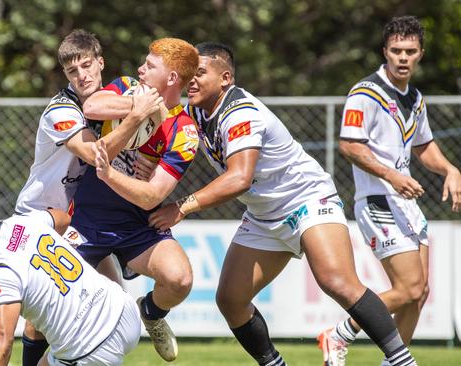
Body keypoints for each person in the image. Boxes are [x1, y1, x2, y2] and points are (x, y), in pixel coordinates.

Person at [148, 42, 419, 366]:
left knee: (337, 282)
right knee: (231, 300)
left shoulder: (240, 112)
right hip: (264, 215)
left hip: (305, 199)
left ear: (225, 78)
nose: (192, 80)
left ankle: (403, 362)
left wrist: (181, 207)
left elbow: (239, 179)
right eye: (190, 73)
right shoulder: (195, 111)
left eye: (201, 73)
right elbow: (158, 125)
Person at [0, 29, 164, 366]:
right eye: (72, 71)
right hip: (39, 214)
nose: (82, 76)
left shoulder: (109, 103)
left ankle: (149, 313)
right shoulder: (60, 110)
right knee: (25, 306)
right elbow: (95, 155)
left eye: (87, 66)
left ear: (100, 63)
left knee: (111, 298)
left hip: (77, 217)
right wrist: (137, 114)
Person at [317, 16, 461, 366]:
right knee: (408, 288)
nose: (402, 57)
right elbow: (350, 146)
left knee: (419, 294)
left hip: (406, 202)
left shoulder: (415, 97)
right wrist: (391, 176)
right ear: (385, 51)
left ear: (420, 54)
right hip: (379, 200)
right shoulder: (365, 93)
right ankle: (339, 333)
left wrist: (449, 169)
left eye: (410, 51)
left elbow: (424, 147)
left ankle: (393, 362)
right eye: (396, 50)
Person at [70, 37, 199, 362]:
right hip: (86, 220)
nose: (140, 69)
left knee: (179, 279)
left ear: (171, 78)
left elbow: (152, 196)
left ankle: (152, 313)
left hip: (137, 226)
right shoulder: (127, 85)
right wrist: (141, 110)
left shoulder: (184, 131)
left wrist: (110, 173)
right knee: (49, 310)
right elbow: (92, 106)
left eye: (150, 66)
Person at [0, 209, 141, 366]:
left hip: (92, 348)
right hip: (125, 311)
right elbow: (63, 218)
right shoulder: (21, 222)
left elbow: (1, 339)